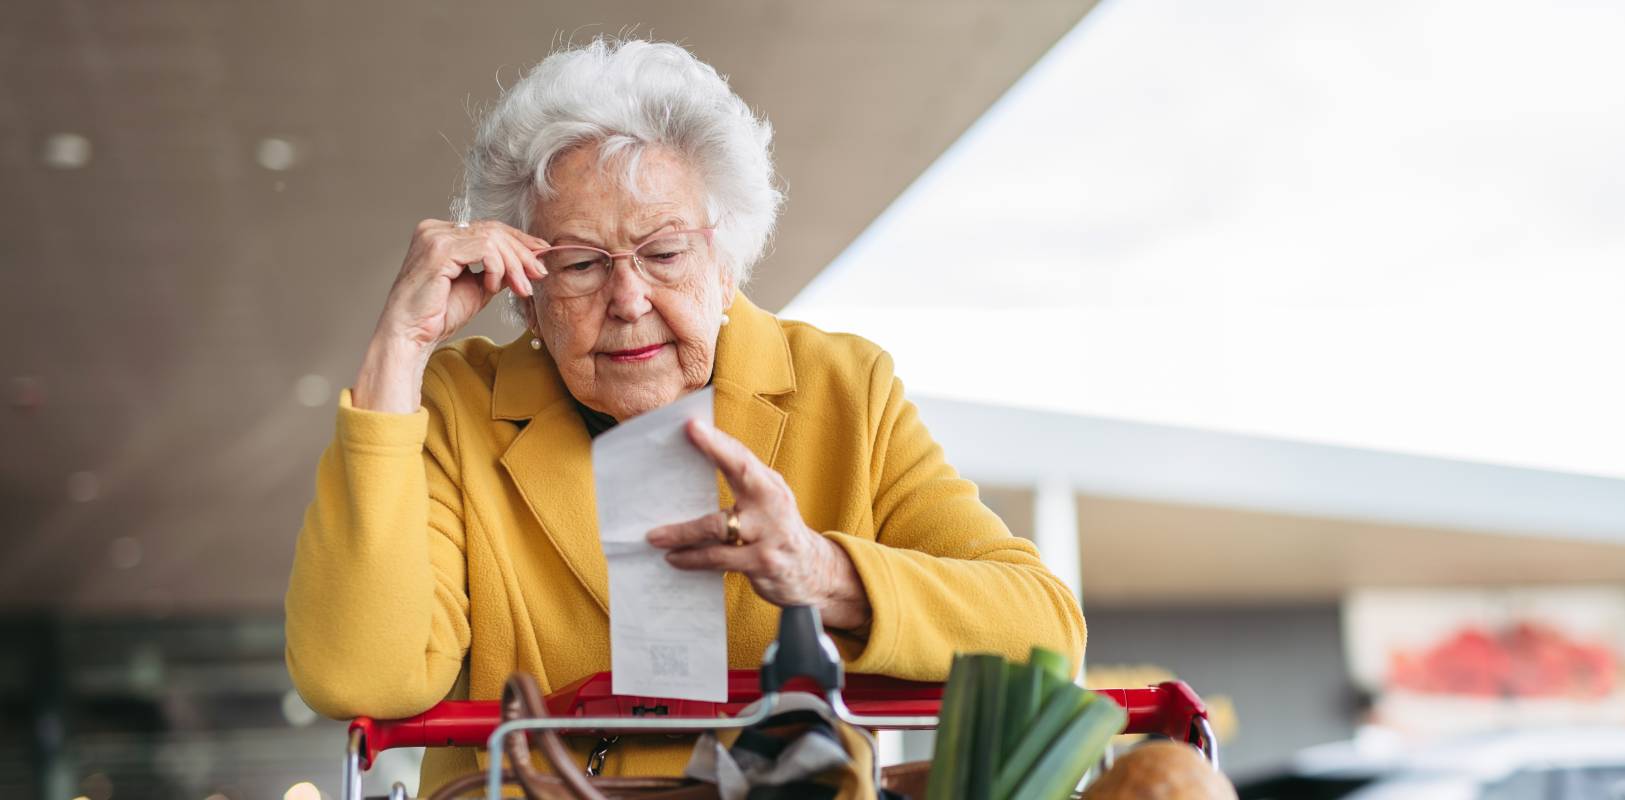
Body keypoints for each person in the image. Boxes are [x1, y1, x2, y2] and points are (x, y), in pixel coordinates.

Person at [283, 37, 1086, 793]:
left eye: (665, 254)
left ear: (726, 261)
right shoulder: (456, 406)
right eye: (580, 265)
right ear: (524, 291)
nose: (629, 300)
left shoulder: (844, 388)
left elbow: (1043, 630)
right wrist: (400, 347)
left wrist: (823, 573)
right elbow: (360, 674)